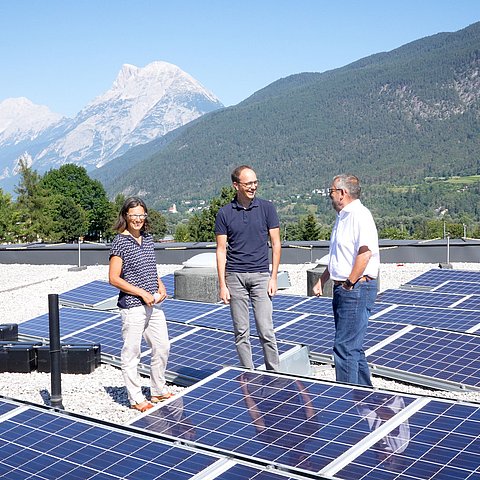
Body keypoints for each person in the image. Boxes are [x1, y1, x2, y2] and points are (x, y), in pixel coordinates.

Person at [313, 174, 379, 386]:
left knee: (344, 348)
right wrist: (323, 279)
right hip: (345, 287)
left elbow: (365, 253)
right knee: (353, 346)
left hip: (356, 288)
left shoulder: (360, 215)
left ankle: (347, 401)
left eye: (331, 192)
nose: (330, 196)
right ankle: (366, 396)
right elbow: (337, 255)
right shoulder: (343, 217)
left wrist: (350, 283)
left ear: (342, 193)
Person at [109, 196, 172, 412]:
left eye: (141, 215)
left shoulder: (148, 239)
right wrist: (141, 293)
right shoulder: (119, 242)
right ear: (125, 215)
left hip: (152, 302)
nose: (138, 219)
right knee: (132, 353)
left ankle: (158, 389)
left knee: (162, 345)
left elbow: (150, 268)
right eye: (134, 215)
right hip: (132, 305)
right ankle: (136, 398)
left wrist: (160, 285)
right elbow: (114, 278)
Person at [215, 165, 281, 371]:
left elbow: (276, 243)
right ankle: (248, 374)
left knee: (266, 330)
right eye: (248, 183)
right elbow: (220, 250)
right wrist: (222, 284)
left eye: (255, 182)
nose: (253, 187)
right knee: (241, 332)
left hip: (261, 275)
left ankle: (275, 373)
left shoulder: (267, 208)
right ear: (236, 185)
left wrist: (274, 277)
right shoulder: (224, 213)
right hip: (235, 277)